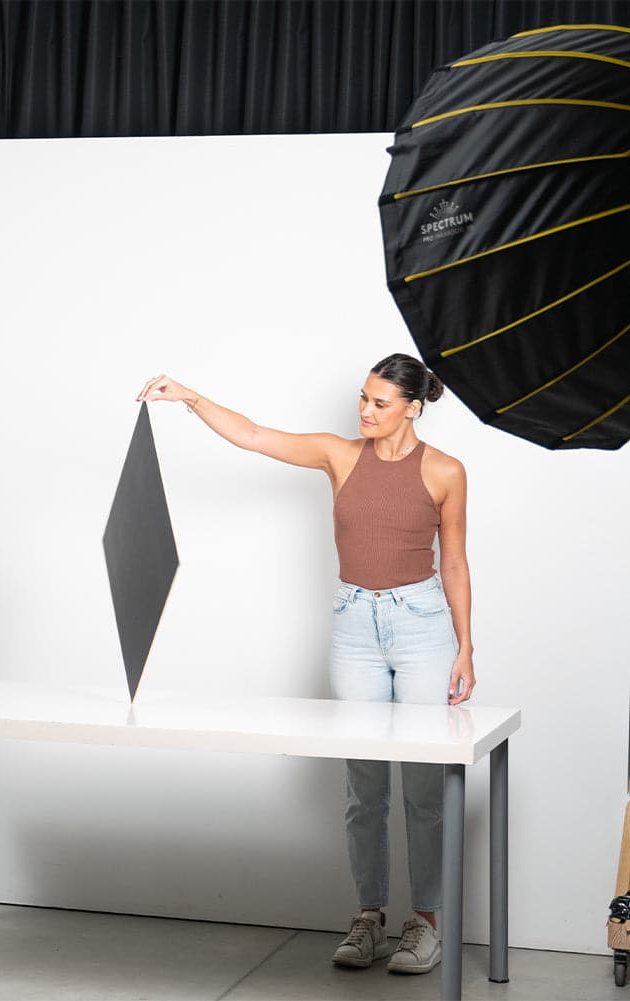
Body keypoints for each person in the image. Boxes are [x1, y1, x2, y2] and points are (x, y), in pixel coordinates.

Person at [137, 357, 475, 976]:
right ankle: (369, 917)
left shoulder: (445, 470)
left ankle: (424, 922)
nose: (364, 411)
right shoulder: (337, 455)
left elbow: (453, 561)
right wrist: (186, 394)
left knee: (425, 784)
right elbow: (255, 435)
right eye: (363, 399)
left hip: (424, 628)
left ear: (413, 407)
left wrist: (465, 647)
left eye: (378, 403)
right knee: (363, 782)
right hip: (354, 629)